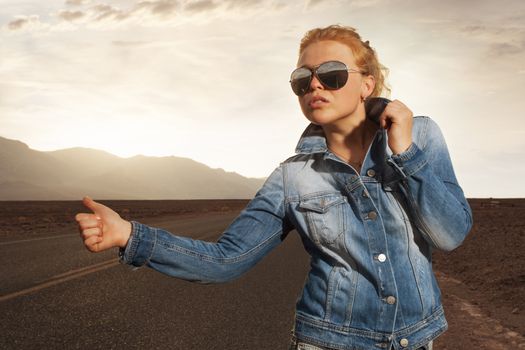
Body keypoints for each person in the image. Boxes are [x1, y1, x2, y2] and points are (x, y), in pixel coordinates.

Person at [75, 24, 473, 350]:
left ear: (367, 84)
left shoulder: (419, 133)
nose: (315, 86)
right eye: (303, 79)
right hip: (328, 342)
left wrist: (405, 153)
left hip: (416, 340)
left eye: (332, 75)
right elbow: (226, 259)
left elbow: (449, 234)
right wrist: (129, 235)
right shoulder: (291, 177)